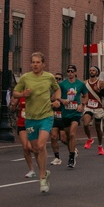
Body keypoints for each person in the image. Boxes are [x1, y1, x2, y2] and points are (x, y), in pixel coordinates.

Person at [13, 52, 61, 193]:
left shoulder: (49, 77)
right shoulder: (25, 78)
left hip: (46, 116)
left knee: (41, 145)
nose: (35, 64)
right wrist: (22, 95)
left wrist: (57, 100)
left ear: (43, 64)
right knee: (35, 148)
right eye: (33, 62)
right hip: (30, 118)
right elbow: (15, 92)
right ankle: (45, 172)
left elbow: (57, 89)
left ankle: (41, 177)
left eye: (38, 62)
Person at [57, 65, 87, 168]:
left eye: (72, 71)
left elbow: (86, 96)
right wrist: (62, 101)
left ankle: (71, 157)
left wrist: (81, 105)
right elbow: (56, 96)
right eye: (68, 71)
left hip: (76, 113)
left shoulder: (80, 84)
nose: (70, 73)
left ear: (75, 73)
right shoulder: (62, 84)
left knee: (72, 134)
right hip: (65, 113)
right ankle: (73, 150)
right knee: (66, 137)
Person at [81, 65, 104, 155]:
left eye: (93, 70)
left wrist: (98, 90)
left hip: (98, 107)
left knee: (98, 128)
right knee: (86, 123)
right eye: (90, 70)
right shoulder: (85, 83)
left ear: (97, 72)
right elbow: (82, 93)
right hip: (88, 106)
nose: (91, 72)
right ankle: (89, 139)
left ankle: (100, 145)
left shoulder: (100, 83)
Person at [11, 90, 36, 179]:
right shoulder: (20, 94)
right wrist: (13, 104)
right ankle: (31, 170)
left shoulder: (34, 94)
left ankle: (41, 156)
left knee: (31, 147)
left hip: (32, 123)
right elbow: (13, 108)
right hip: (22, 123)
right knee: (25, 147)